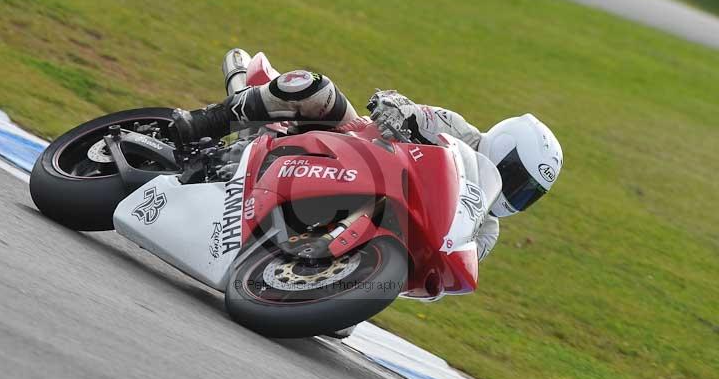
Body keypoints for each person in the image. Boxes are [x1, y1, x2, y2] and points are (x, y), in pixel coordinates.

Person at [171, 69, 563, 261]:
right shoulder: (460, 131)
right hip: (345, 146)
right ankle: (203, 123)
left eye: (527, 192)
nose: (514, 193)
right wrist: (396, 113)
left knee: (340, 326)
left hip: (369, 222)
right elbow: (403, 104)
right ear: (503, 148)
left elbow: (455, 261)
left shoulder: (487, 227)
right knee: (315, 87)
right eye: (515, 178)